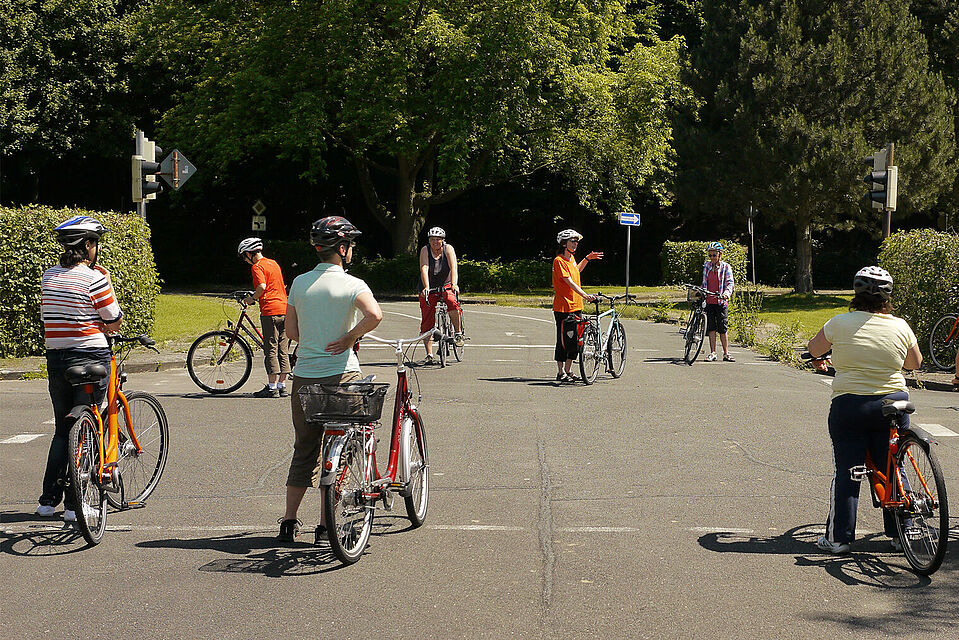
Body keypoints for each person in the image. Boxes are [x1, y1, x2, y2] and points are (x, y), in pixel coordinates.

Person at [277, 216, 383, 543]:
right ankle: (326, 525)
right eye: (350, 245)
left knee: (304, 449)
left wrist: (314, 338)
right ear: (343, 248)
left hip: (305, 377)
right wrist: (350, 337)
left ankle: (289, 521)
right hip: (342, 374)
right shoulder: (353, 284)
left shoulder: (299, 283)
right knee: (343, 447)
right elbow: (374, 315)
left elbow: (291, 331)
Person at [807, 266, 922, 554]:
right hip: (893, 403)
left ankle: (839, 539)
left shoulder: (839, 323)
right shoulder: (901, 326)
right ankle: (903, 534)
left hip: (851, 405)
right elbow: (914, 363)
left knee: (848, 470)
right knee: (893, 466)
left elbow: (814, 349)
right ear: (887, 297)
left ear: (856, 292)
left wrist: (826, 356)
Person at [36, 216, 123, 522]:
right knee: (90, 426)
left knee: (63, 430)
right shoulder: (94, 278)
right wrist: (107, 284)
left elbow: (49, 317)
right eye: (95, 243)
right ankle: (76, 504)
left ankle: (48, 501)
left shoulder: (48, 276)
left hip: (56, 358)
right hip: (91, 356)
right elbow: (113, 319)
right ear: (87, 245)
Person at [238, 237, 291, 398]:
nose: (244, 260)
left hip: (270, 311)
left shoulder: (257, 266)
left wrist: (252, 299)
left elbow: (262, 286)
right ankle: (282, 386)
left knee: (271, 348)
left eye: (244, 256)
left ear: (249, 253)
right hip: (284, 309)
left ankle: (272, 387)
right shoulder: (273, 263)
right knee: (283, 349)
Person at [552, 229, 603, 382]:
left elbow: (577, 271)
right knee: (563, 340)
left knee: (575, 341)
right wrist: (585, 295)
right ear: (564, 243)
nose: (575, 244)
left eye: (576, 241)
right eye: (572, 241)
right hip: (563, 307)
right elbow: (569, 282)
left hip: (576, 306)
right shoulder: (559, 261)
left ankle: (569, 370)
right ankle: (561, 372)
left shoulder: (572, 259)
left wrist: (587, 258)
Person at [418, 226, 463, 364]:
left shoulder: (448, 249)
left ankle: (458, 333)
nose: (435, 242)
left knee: (452, 301)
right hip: (429, 285)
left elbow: (453, 267)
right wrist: (426, 287)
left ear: (443, 240)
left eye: (438, 239)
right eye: (432, 239)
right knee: (427, 316)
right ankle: (429, 354)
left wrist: (454, 284)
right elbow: (424, 267)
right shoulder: (425, 250)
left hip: (446, 283)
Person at [702, 241, 735, 362]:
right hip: (709, 301)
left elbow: (730, 283)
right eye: (710, 255)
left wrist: (726, 294)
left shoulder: (726, 267)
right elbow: (704, 282)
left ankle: (726, 353)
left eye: (714, 255)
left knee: (723, 329)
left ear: (720, 254)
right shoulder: (707, 266)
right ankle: (713, 352)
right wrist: (702, 293)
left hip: (721, 302)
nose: (712, 258)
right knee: (711, 328)